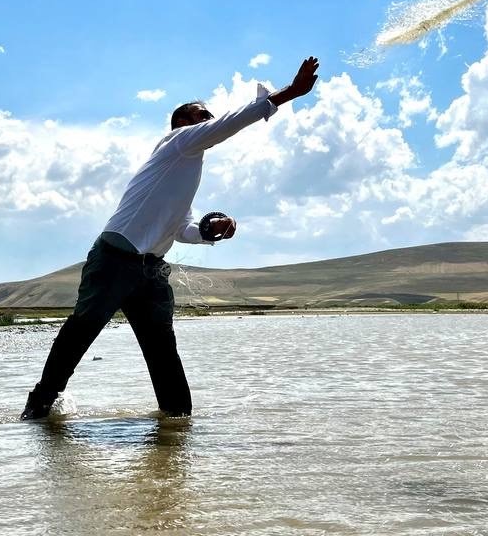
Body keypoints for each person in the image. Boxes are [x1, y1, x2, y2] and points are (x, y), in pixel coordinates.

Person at [21, 56, 321, 420]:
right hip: (115, 258)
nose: (207, 120)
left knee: (162, 347)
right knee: (82, 331)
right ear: (181, 123)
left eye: (207, 116)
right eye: (200, 115)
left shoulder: (187, 168)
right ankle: (39, 406)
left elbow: (183, 229)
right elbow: (229, 124)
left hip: (150, 271)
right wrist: (290, 93)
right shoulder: (177, 142)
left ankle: (177, 424)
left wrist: (211, 229)